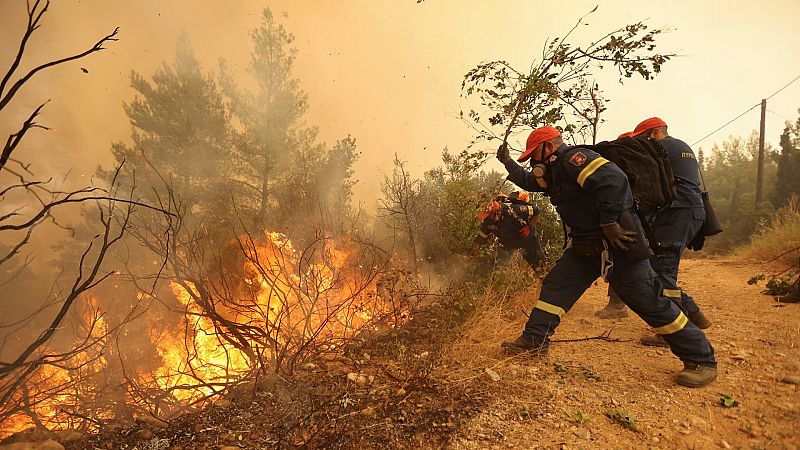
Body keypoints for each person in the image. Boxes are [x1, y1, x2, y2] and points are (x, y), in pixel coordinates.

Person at [496, 125, 717, 387]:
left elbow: (614, 180)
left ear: (549, 147)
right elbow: (530, 181)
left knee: (650, 301)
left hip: (618, 244)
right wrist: (508, 162)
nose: (534, 162)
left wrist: (610, 222)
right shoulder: (555, 172)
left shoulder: (574, 159)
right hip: (585, 246)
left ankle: (702, 359)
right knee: (556, 286)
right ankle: (534, 340)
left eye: (535, 155)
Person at [594, 118, 711, 347]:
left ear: (655, 133)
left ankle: (676, 333)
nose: (642, 144)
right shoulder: (681, 147)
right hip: (687, 213)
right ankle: (694, 315)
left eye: (643, 139)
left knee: (662, 273)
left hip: (678, 214)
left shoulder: (663, 146)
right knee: (662, 270)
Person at [470, 192, 545, 269]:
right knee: (498, 266)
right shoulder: (489, 221)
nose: (487, 218)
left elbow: (537, 211)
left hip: (528, 240)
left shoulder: (516, 210)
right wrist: (471, 253)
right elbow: (481, 237)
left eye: (489, 216)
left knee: (539, 266)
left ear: (497, 212)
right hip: (509, 243)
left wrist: (529, 227)